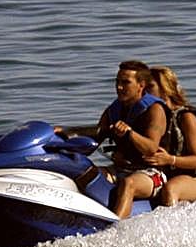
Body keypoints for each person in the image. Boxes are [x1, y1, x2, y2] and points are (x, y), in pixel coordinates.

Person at [57, 60, 168, 218]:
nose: (119, 87)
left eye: (126, 82)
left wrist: (130, 133)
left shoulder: (155, 110)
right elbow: (97, 136)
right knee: (84, 175)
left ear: (141, 85)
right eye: (117, 82)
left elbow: (151, 148)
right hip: (119, 169)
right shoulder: (114, 109)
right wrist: (64, 134)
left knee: (128, 184)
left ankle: (115, 228)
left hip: (152, 174)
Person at [142, 65, 196, 206]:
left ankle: (172, 219)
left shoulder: (186, 116)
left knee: (171, 189)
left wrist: (169, 159)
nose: (145, 91)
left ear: (165, 88)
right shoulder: (149, 115)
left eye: (150, 86)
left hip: (193, 176)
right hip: (161, 172)